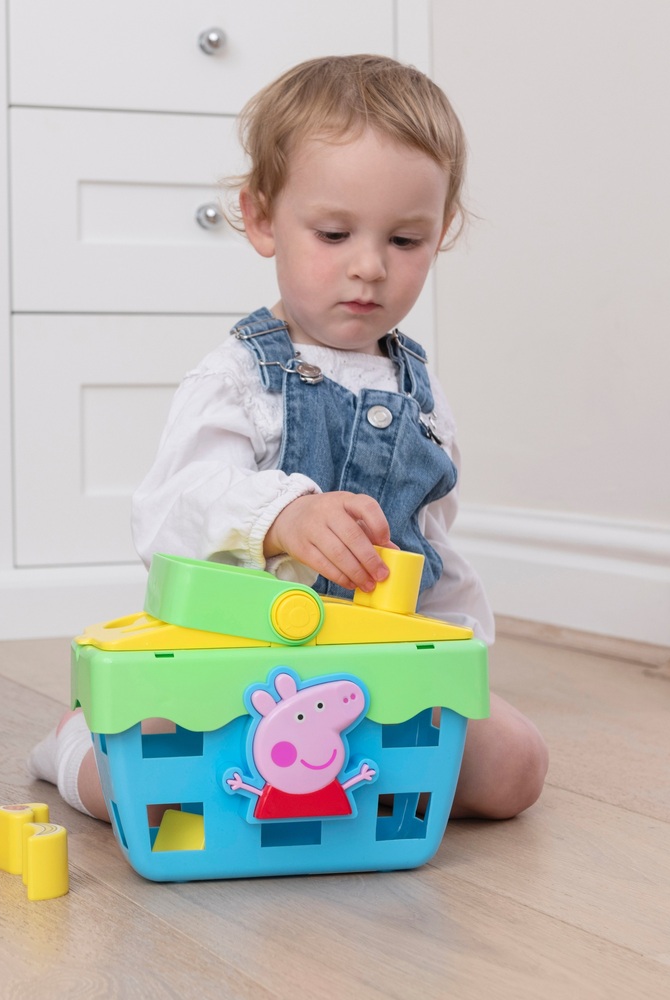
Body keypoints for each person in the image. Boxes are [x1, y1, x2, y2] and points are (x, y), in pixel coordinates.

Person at [30, 54, 548, 822]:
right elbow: (172, 510)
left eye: (406, 240)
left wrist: (454, 658)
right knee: (143, 792)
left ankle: (342, 783)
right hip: (237, 675)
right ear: (264, 219)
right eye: (334, 233)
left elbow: (432, 548)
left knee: (515, 768)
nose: (369, 267)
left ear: (443, 231)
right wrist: (282, 515)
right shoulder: (239, 377)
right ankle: (72, 743)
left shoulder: (422, 395)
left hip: (374, 679)